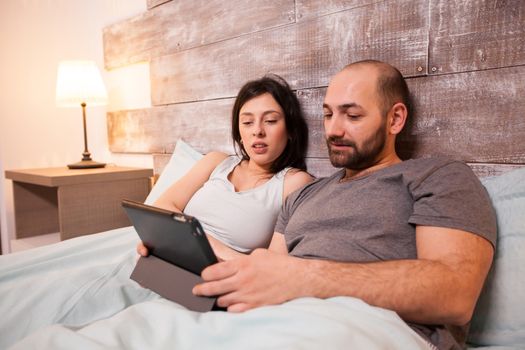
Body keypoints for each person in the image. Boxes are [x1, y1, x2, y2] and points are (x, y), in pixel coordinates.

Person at [192, 60, 497, 350]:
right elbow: (269, 275)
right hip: (278, 322)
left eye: (352, 116)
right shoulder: (304, 195)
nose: (334, 130)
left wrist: (303, 279)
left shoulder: (437, 176)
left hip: (372, 329)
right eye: (328, 115)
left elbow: (455, 294)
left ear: (395, 119)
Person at [138, 75, 313, 260]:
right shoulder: (216, 161)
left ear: (291, 130)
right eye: (247, 122)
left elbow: (273, 266)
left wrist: (202, 244)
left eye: (270, 120)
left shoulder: (294, 182)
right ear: (239, 133)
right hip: (169, 255)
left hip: (222, 276)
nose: (257, 131)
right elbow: (162, 205)